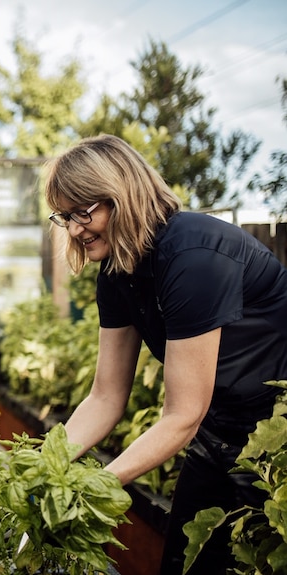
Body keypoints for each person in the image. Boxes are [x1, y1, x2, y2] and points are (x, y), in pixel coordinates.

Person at [42, 134, 287, 574]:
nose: (76, 229)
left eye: (84, 211)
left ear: (124, 196)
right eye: (65, 216)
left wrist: (96, 486)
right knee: (184, 563)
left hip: (276, 440)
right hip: (219, 432)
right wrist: (43, 466)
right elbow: (105, 397)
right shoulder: (117, 271)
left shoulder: (193, 255)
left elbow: (182, 414)